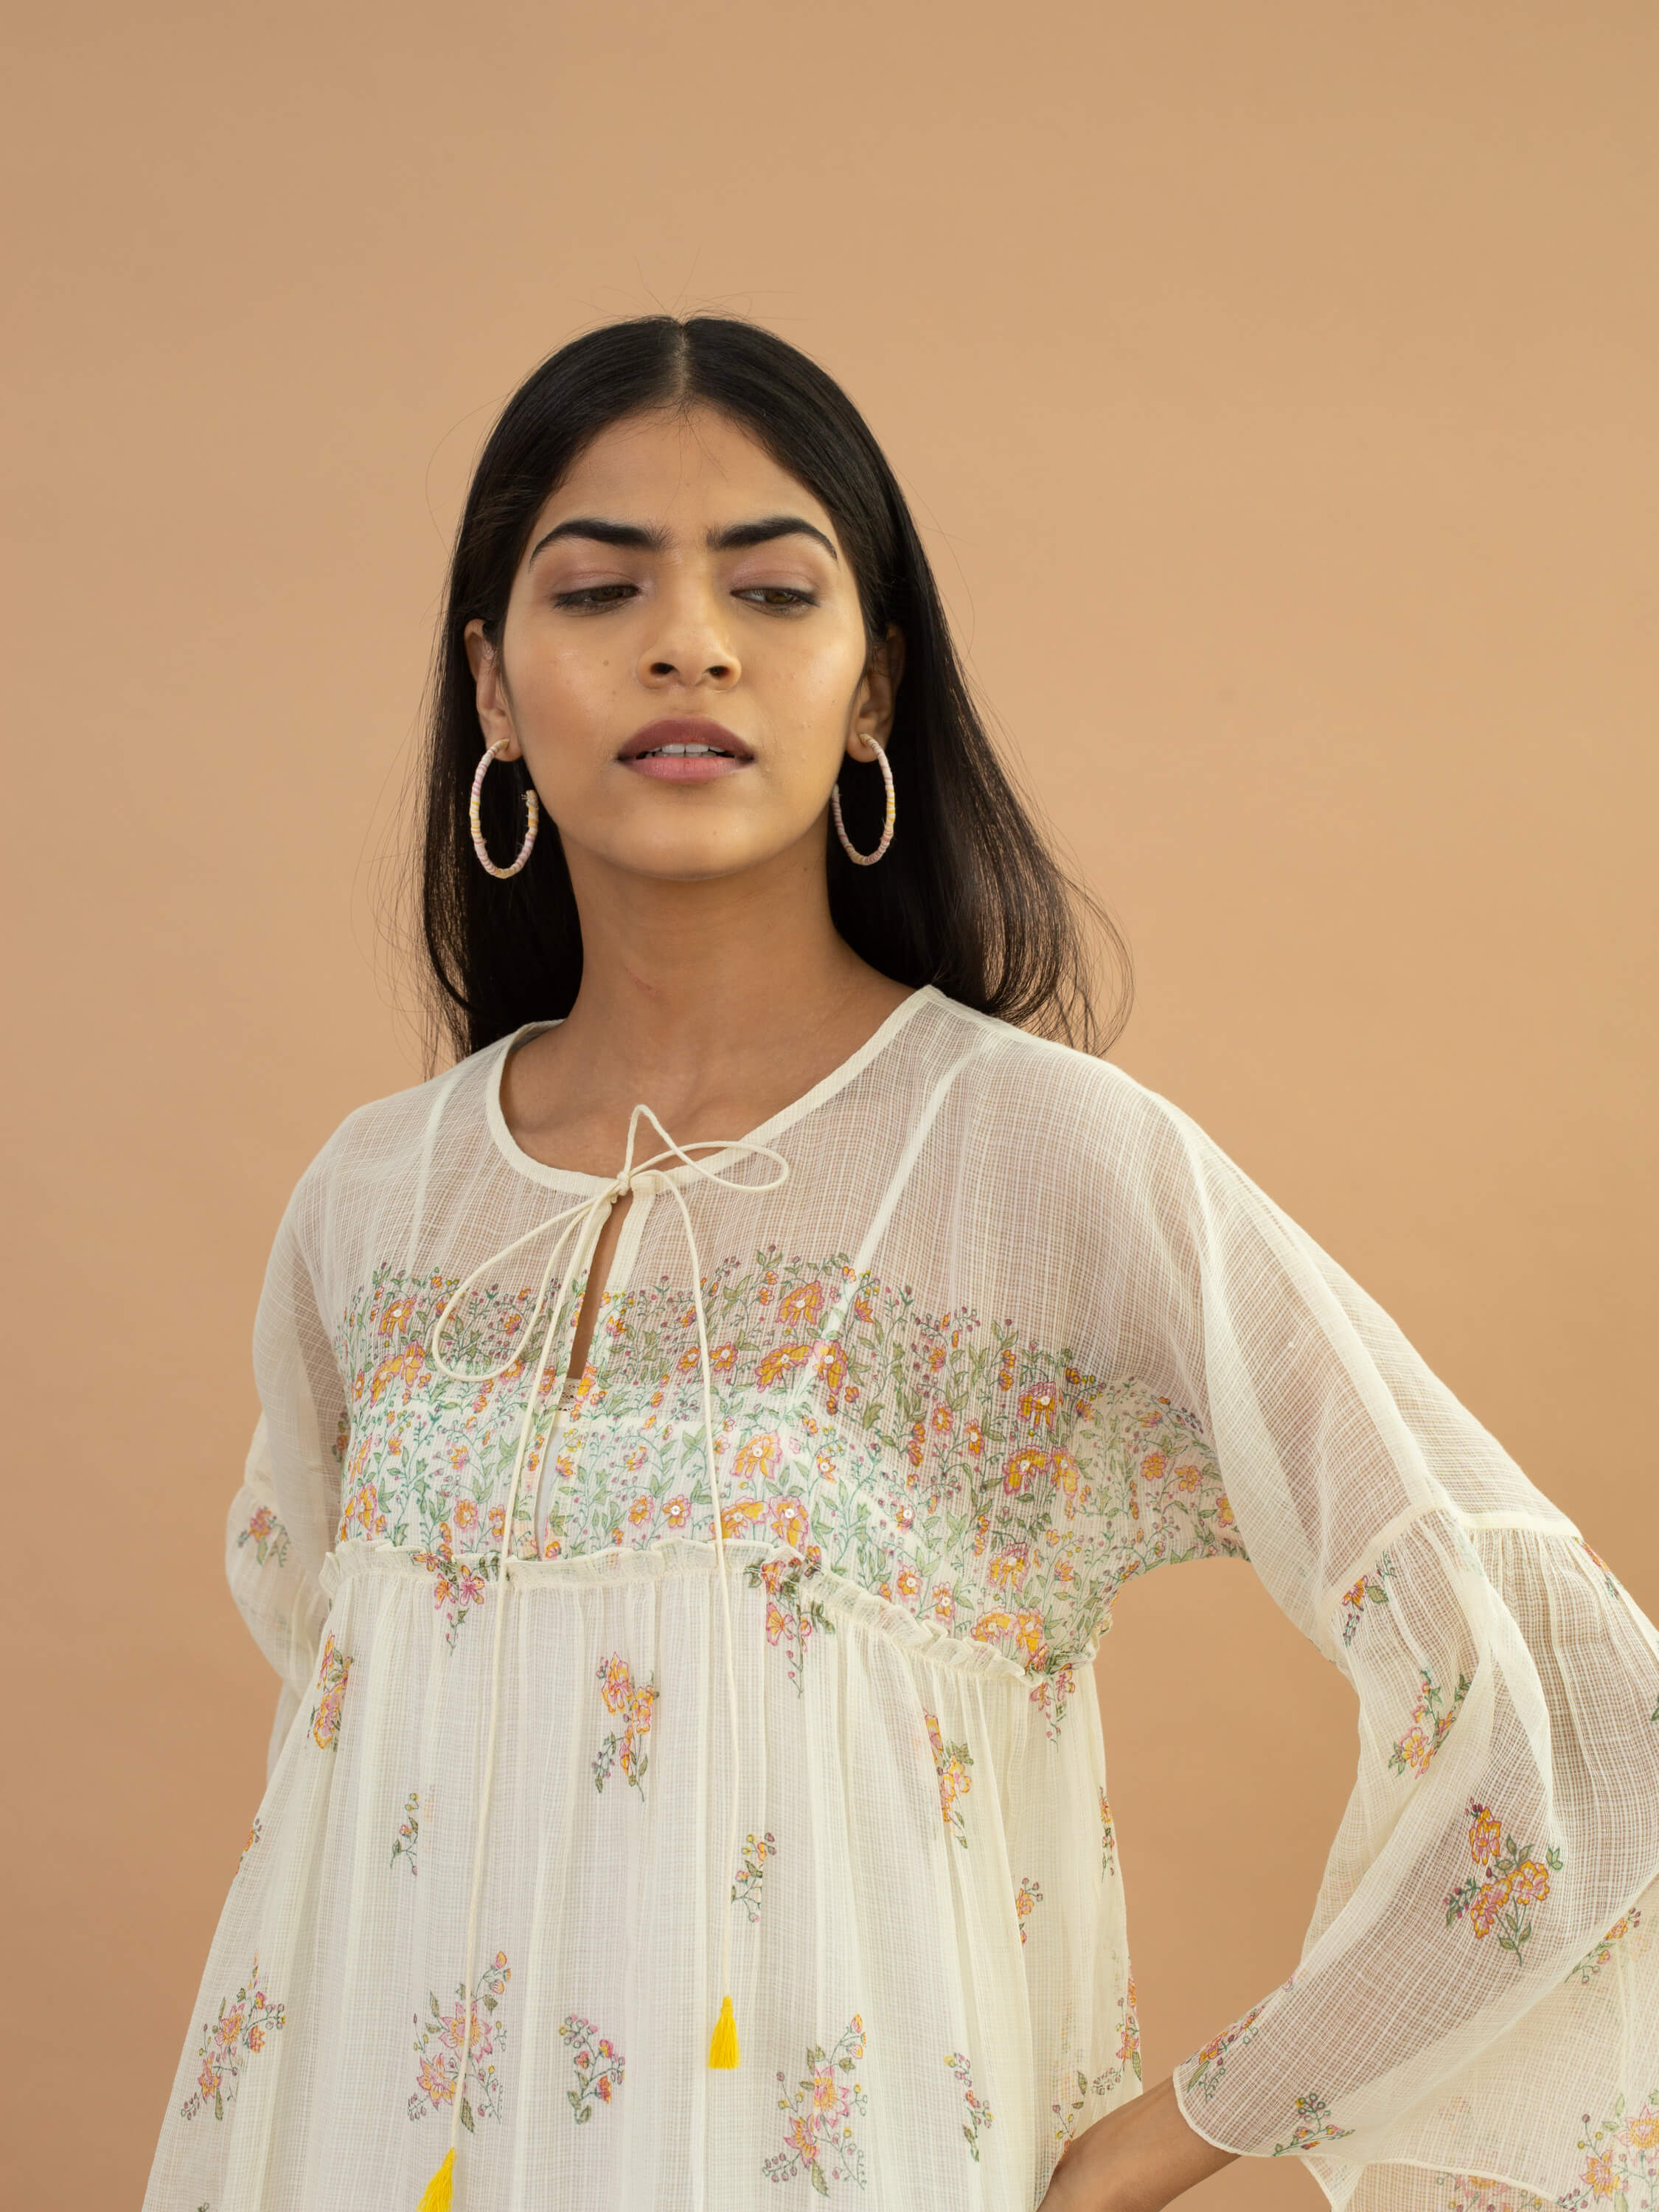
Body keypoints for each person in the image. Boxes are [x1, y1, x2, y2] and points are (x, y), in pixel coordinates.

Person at [145, 316, 1659, 2212]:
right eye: (599, 587)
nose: (688, 640)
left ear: (874, 694)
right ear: (494, 689)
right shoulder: (372, 1205)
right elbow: (353, 1759)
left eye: (774, 590)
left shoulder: (1032, 1164)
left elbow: (1586, 1714)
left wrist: (1191, 2124)